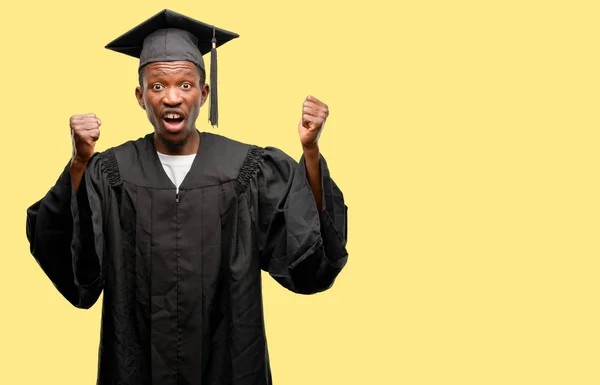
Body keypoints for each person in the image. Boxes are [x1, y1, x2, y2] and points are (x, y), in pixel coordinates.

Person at [25, 8, 348, 385]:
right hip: (136, 365)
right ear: (140, 97)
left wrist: (310, 152)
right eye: (157, 86)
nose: (172, 98)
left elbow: (307, 251)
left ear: (204, 93)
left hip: (228, 362)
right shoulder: (111, 172)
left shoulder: (245, 169)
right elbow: (65, 250)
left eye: (186, 84)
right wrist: (80, 162)